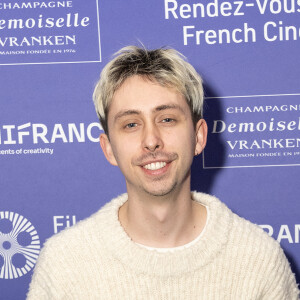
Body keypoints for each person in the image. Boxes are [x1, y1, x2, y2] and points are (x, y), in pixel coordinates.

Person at [27, 46, 299, 299]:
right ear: (109, 148)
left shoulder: (259, 260)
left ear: (199, 136)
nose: (151, 140)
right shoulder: (62, 264)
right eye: (131, 124)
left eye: (167, 119)